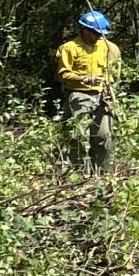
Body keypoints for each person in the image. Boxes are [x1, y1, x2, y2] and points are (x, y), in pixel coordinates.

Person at [55, 10, 122, 177]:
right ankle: (76, 173)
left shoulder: (109, 47)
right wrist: (83, 79)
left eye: (101, 33)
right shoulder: (70, 48)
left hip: (102, 96)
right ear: (84, 30)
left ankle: (100, 174)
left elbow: (115, 73)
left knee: (104, 135)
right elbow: (62, 74)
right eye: (95, 33)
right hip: (78, 94)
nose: (98, 36)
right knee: (77, 135)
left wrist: (110, 87)